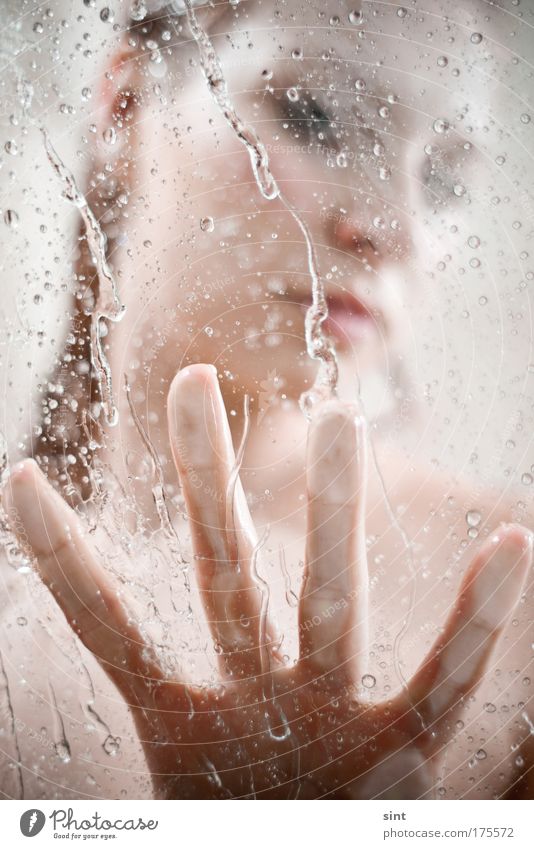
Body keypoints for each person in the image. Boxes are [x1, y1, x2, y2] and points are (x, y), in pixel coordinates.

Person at [1, 0, 532, 799]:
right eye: (314, 116)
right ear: (127, 107)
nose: (396, 229)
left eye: (444, 178)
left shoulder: (511, 611)